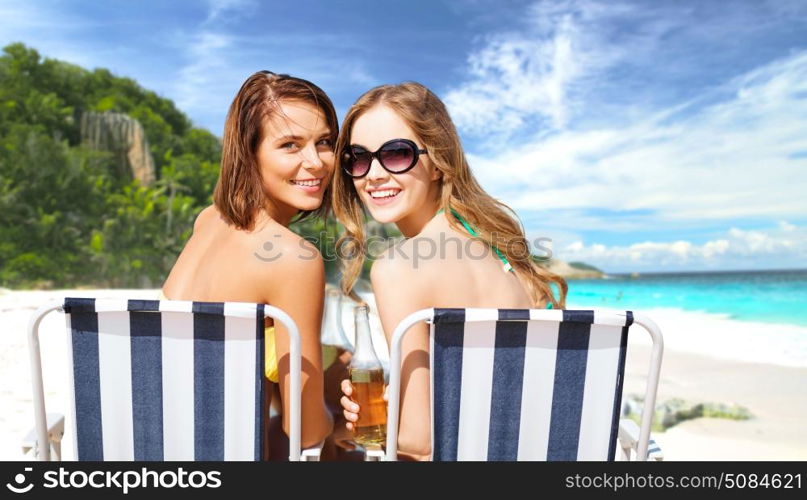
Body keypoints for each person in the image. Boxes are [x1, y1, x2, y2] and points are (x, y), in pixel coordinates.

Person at [332, 82, 567, 460]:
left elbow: (418, 440)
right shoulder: (509, 258)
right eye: (358, 159)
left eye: (396, 154)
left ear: (440, 162)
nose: (372, 174)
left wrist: (350, 429)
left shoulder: (398, 269)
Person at [161, 71, 335, 457]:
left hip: (157, 446)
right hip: (225, 454)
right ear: (249, 152)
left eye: (324, 142)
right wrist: (338, 418)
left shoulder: (208, 219)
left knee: (334, 357)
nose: (317, 162)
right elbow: (304, 431)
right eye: (290, 145)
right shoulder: (293, 258)